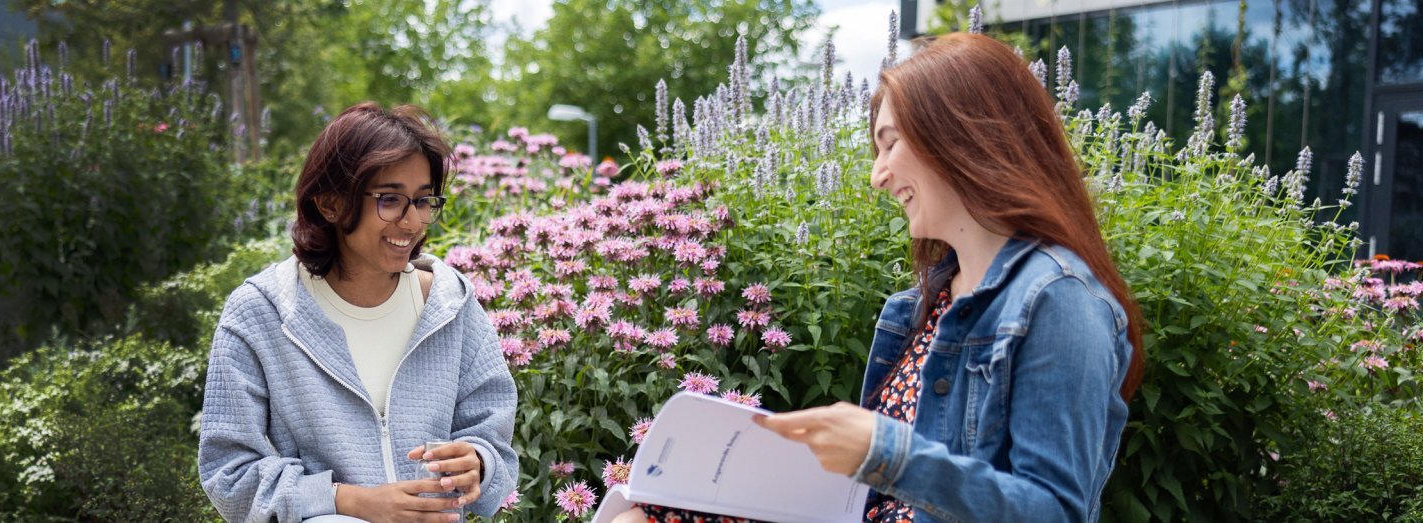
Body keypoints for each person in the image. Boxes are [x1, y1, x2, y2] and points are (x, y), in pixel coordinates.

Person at [615, 32, 1145, 523]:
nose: (877, 175)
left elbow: (1054, 512)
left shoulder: (1060, 300)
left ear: (960, 135)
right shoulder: (921, 305)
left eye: (890, 144)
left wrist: (885, 454)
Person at [199, 103, 519, 523]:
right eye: (390, 200)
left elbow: (492, 441)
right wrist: (349, 502)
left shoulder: (451, 306)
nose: (411, 222)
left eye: (423, 201)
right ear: (331, 204)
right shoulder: (259, 314)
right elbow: (230, 473)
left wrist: (477, 461)